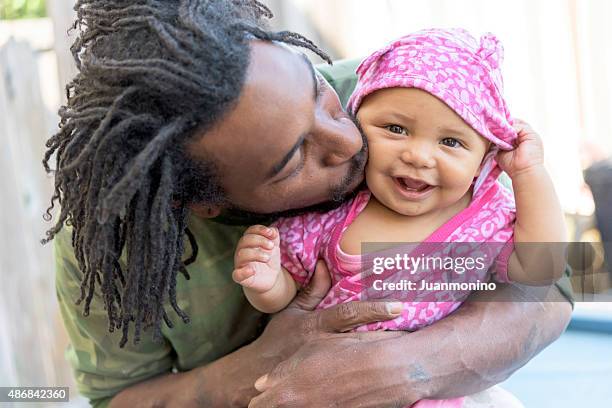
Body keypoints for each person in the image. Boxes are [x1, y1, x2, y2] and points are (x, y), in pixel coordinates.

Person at [46, 2, 573, 407]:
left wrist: (399, 368)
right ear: (203, 204)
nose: (349, 142)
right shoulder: (116, 243)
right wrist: (264, 366)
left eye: (320, 96)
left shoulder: (391, 96)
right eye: (296, 158)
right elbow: (120, 397)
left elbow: (554, 284)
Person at [232, 28, 567, 407]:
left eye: (451, 142)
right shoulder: (333, 216)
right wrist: (264, 283)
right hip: (326, 385)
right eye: (395, 129)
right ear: (357, 123)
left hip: (433, 389)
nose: (419, 156)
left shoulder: (483, 217)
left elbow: (542, 267)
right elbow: (287, 296)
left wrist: (528, 173)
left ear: (482, 160)